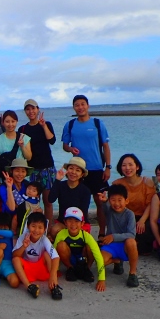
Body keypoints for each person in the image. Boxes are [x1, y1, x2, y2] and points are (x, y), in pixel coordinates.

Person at [61, 95, 111, 240]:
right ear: (74, 107)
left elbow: (106, 146)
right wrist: (71, 149)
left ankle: (102, 232)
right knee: (78, 203)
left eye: (83, 104)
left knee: (100, 202)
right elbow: (65, 145)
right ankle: (78, 233)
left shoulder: (97, 123)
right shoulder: (70, 125)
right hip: (77, 171)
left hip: (96, 169)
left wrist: (108, 167)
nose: (80, 107)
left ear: (88, 106)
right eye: (77, 105)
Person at [20, 99, 57, 222]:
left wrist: (43, 125)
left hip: (47, 168)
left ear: (38, 109)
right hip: (32, 169)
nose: (31, 111)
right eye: (28, 109)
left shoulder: (46, 124)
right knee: (33, 201)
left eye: (33, 108)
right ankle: (34, 226)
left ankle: (48, 227)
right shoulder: (23, 129)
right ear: (25, 111)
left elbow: (52, 140)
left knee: (48, 201)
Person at [111, 154, 156, 255]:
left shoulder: (147, 182)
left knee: (144, 246)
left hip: (143, 217)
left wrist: (142, 221)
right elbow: (114, 204)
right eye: (124, 165)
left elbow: (150, 204)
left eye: (130, 164)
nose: (127, 168)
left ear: (137, 167)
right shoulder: (117, 184)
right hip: (125, 217)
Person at [53, 207, 106, 292]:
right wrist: (55, 271)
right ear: (65, 222)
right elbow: (53, 254)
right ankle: (70, 268)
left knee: (90, 247)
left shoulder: (87, 236)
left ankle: (87, 268)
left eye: (76, 221)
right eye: (70, 221)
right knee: (60, 245)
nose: (73, 224)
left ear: (82, 223)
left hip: (83, 258)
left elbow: (98, 256)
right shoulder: (61, 234)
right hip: (70, 258)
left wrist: (101, 279)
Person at [97, 184, 139, 287]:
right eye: (113, 200)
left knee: (131, 242)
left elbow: (131, 234)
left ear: (126, 201)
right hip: (110, 245)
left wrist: (113, 236)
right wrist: (104, 201)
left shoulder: (130, 214)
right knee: (100, 261)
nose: (116, 203)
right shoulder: (109, 211)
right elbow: (105, 206)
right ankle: (116, 261)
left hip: (124, 245)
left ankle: (132, 273)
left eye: (120, 200)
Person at [12, 213, 62, 300]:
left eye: (40, 227)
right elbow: (14, 255)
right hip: (27, 270)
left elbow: (56, 257)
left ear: (45, 229)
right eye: (33, 226)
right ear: (28, 226)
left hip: (41, 269)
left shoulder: (44, 239)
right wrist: (24, 246)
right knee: (15, 260)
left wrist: (53, 275)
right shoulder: (23, 237)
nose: (36, 230)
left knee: (47, 254)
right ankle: (29, 286)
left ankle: (54, 286)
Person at [48, 157, 92, 242]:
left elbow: (83, 212)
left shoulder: (85, 191)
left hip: (79, 223)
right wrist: (57, 180)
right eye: (71, 168)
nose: (73, 172)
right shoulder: (61, 185)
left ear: (82, 174)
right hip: (63, 222)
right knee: (53, 231)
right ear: (67, 170)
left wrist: (72, 226)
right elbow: (50, 199)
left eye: (78, 170)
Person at [0, 110, 32, 189]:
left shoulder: (24, 138)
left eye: (13, 121)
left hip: (21, 177)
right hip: (5, 178)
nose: (10, 124)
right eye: (7, 121)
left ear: (16, 122)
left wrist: (22, 146)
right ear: (3, 123)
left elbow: (29, 157)